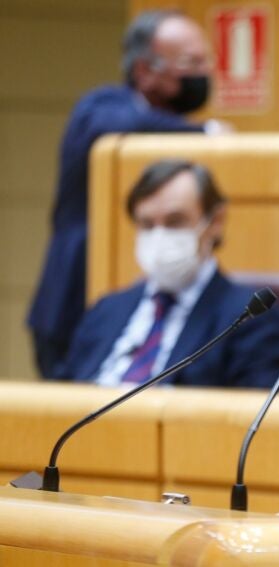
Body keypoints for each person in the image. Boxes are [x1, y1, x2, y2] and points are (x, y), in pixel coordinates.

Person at [28, 9, 230, 378]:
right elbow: (118, 124)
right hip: (73, 298)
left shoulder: (173, 129)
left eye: (206, 61)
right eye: (191, 62)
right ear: (144, 70)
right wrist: (205, 133)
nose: (204, 72)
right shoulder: (101, 106)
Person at [54, 159, 279, 389]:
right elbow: (60, 395)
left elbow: (256, 409)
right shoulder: (105, 310)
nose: (159, 237)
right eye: (147, 224)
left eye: (175, 222)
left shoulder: (249, 317)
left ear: (215, 222)